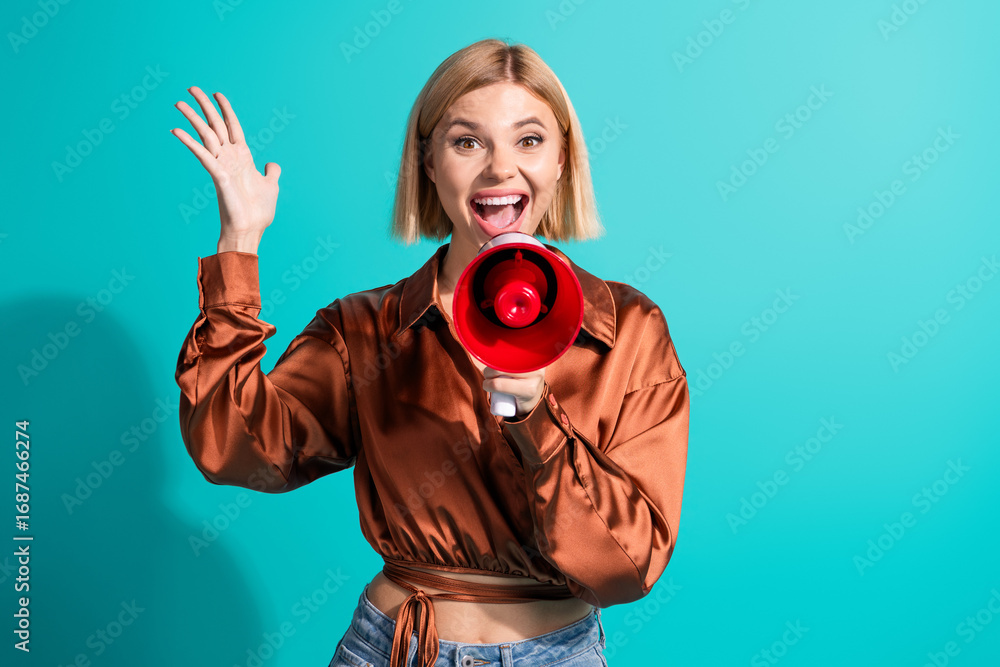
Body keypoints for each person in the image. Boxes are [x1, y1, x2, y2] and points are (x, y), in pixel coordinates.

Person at [171, 38, 689, 667]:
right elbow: (235, 452)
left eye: (529, 140)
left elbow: (627, 568)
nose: (500, 169)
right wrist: (239, 244)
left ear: (563, 162)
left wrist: (538, 421)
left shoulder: (628, 330)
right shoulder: (364, 329)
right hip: (391, 648)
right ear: (428, 162)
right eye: (467, 141)